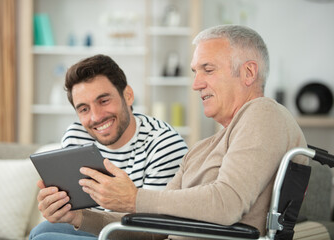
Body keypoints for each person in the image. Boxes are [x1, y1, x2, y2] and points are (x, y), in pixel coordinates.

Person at [32, 25, 309, 240]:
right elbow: (153, 228)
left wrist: (133, 198)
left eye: (208, 70)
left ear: (248, 73)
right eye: (194, 72)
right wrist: (78, 218)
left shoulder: (263, 112)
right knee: (46, 230)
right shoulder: (202, 149)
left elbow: (227, 204)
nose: (196, 84)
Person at [29, 54, 188, 239]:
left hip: (136, 236)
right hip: (97, 230)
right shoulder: (76, 136)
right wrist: (59, 208)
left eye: (103, 101)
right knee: (40, 230)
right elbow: (79, 212)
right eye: (84, 109)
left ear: (128, 96)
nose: (96, 117)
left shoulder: (163, 144)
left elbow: (155, 232)